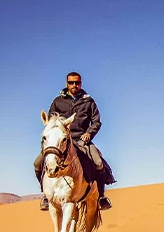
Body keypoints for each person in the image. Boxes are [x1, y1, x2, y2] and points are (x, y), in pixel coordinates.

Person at [34, 72, 114, 211]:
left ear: (81, 84)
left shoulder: (88, 101)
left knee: (98, 162)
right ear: (67, 84)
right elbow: (51, 122)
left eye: (77, 83)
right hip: (62, 141)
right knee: (37, 163)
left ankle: (101, 197)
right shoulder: (58, 101)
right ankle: (46, 196)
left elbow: (96, 121)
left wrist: (89, 133)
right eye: (71, 83)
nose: (74, 85)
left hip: (82, 140)